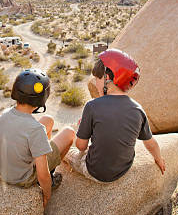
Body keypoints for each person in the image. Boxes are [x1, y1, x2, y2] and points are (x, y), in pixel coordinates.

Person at [66, 49, 166, 183]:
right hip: (123, 170)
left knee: (67, 152)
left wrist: (80, 129)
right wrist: (158, 159)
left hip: (96, 172)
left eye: (97, 79)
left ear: (107, 78)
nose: (96, 84)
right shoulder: (137, 109)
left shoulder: (92, 106)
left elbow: (81, 147)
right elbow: (150, 143)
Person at [0, 69, 75, 208]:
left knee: (48, 120)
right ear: (42, 98)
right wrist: (46, 195)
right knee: (69, 133)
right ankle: (52, 172)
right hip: (23, 178)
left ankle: (42, 151)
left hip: (7, 171)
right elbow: (42, 174)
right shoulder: (35, 129)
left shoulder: (4, 114)